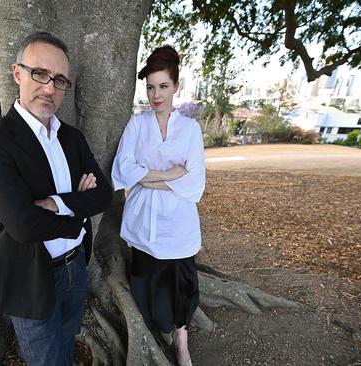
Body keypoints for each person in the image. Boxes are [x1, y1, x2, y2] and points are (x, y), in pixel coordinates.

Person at [0, 32, 112, 365]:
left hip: (76, 265)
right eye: (39, 74)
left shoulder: (72, 138)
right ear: (17, 73)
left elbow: (104, 196)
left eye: (59, 80)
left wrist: (55, 203)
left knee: (67, 345)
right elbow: (22, 224)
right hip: (32, 279)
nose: (49, 88)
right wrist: (78, 205)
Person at [111, 45, 205, 366]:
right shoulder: (137, 125)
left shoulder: (190, 130)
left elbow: (195, 184)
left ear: (176, 86)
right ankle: (150, 334)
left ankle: (181, 341)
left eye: (163, 86)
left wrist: (146, 177)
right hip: (142, 222)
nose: (156, 94)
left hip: (178, 225)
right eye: (150, 87)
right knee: (146, 282)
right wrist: (169, 175)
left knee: (181, 284)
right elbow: (123, 171)